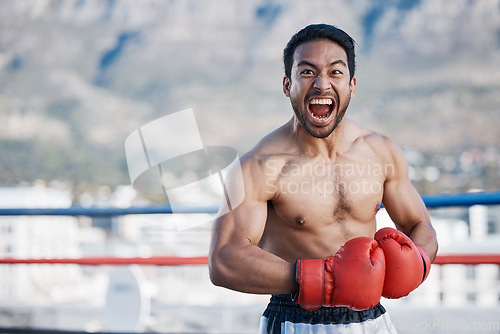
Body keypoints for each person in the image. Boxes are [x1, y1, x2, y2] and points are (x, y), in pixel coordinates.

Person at [208, 24, 438, 333]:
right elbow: (223, 259)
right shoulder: (259, 166)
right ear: (287, 85)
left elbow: (420, 226)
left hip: (371, 318)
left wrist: (417, 261)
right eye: (307, 73)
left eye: (335, 72)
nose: (321, 84)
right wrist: (323, 280)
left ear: (352, 85)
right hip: (297, 318)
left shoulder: (380, 151)